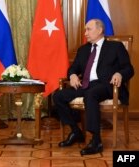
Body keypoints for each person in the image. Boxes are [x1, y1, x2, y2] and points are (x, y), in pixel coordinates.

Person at [53, 19, 134, 155]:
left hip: (106, 85)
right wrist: (72, 75)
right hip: (85, 85)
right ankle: (76, 131)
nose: (85, 33)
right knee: (58, 96)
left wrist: (119, 74)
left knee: (91, 94)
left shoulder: (115, 47)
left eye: (88, 29)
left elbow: (129, 68)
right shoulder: (83, 50)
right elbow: (73, 68)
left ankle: (96, 141)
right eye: (85, 30)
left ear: (100, 30)